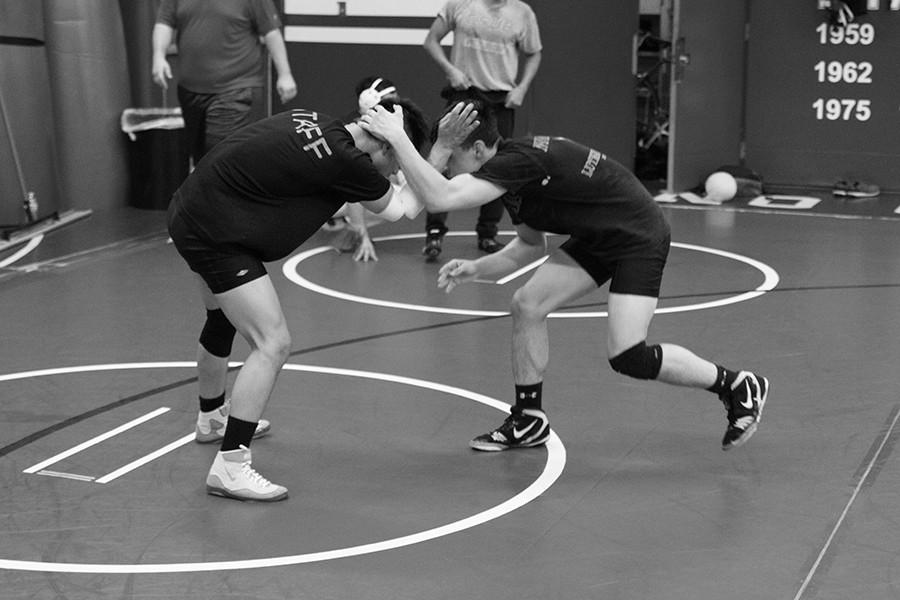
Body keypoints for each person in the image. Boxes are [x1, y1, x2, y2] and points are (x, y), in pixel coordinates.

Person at [361, 101, 770, 453]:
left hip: (637, 235)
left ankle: (737, 385)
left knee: (629, 355)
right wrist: (476, 268)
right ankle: (528, 419)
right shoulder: (509, 179)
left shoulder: (516, 163)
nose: (448, 168)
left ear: (481, 149)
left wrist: (398, 138)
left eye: (453, 159)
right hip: (599, 235)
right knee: (527, 304)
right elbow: (529, 246)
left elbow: (439, 197)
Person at [167, 97, 429, 501]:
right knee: (272, 343)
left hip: (192, 207)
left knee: (221, 318)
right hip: (214, 232)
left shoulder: (319, 120)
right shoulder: (348, 161)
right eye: (398, 159)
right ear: (386, 143)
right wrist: (439, 148)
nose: (397, 172)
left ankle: (211, 418)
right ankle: (231, 467)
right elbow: (406, 206)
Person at [420, 0, 542, 260]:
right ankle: (434, 232)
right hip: (464, 93)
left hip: (502, 99)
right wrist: (450, 69)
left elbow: (535, 53)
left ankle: (487, 233)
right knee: (447, 156)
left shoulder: (523, 13)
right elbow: (431, 40)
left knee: (498, 165)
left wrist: (522, 87)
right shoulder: (460, 4)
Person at [151, 0, 298, 165]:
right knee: (201, 163)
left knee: (220, 160)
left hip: (236, 89)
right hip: (190, 91)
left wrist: (285, 74)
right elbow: (164, 22)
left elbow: (271, 32)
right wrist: (158, 56)